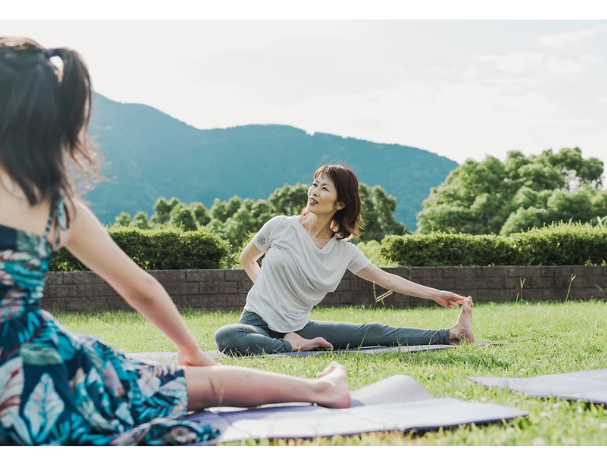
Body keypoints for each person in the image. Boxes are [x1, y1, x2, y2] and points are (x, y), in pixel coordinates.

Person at [0, 37, 352, 446]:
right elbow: (141, 287)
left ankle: (320, 389)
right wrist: (191, 352)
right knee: (206, 387)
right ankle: (321, 389)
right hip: (35, 369)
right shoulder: (53, 207)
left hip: (36, 366)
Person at [214, 163, 476, 355]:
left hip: (299, 326)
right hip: (256, 323)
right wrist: (268, 294)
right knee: (228, 337)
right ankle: (291, 345)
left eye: (324, 187)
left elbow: (387, 279)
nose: (314, 191)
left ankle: (453, 334)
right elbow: (247, 259)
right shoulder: (280, 226)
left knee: (373, 332)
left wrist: (435, 294)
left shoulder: (344, 251)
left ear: (340, 204)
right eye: (314, 184)